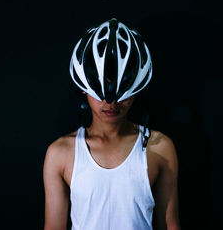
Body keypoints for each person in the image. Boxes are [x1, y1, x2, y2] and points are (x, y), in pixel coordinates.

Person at [43, 18, 180, 230]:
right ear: (84, 87)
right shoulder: (60, 153)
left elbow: (170, 224)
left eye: (121, 92)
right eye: (100, 90)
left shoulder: (160, 148)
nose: (111, 102)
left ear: (137, 87)